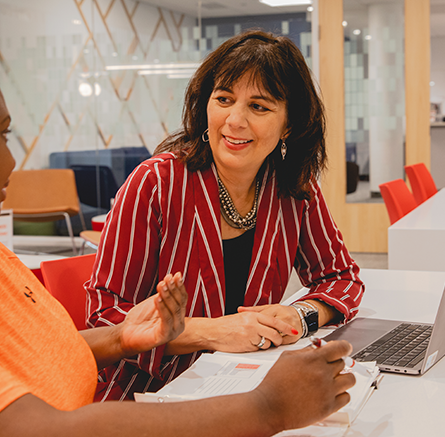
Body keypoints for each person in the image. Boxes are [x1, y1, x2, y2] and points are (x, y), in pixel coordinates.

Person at [0, 25, 357, 436]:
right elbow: (34, 431)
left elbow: (41, 350)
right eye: (2, 136)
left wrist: (121, 338)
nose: (12, 163)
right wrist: (265, 408)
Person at [87, 30, 365, 401]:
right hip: (149, 397)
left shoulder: (293, 187)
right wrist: (212, 331)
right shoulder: (155, 183)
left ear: (289, 125)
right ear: (205, 106)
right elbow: (104, 319)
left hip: (246, 387)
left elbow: (341, 277)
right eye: (224, 99)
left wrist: (302, 316)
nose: (234, 120)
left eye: (259, 106)